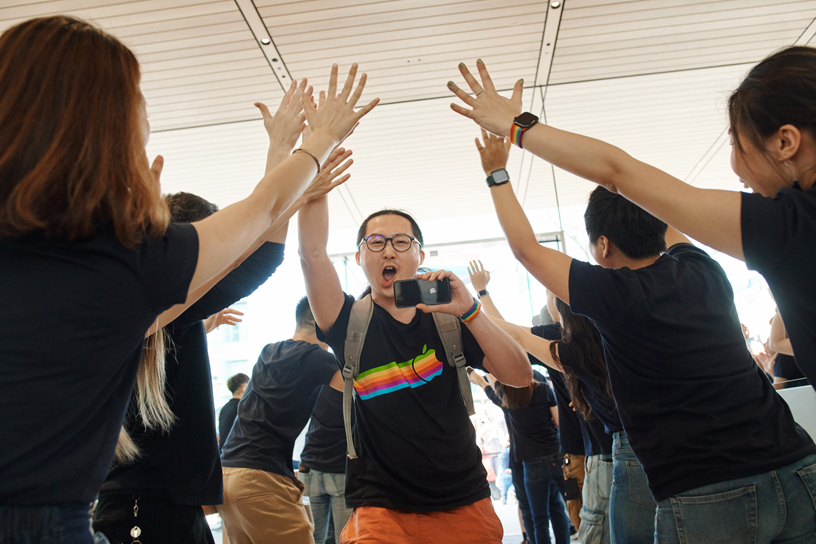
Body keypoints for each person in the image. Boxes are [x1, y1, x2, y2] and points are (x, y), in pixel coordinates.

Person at [0, 14, 376, 542]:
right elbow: (261, 218)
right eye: (137, 100)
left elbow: (260, 230)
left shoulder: (93, 259)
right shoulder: (120, 262)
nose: (145, 118)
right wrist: (319, 140)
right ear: (103, 119)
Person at [448, 73, 816, 537]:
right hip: (796, 466)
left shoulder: (612, 296)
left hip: (707, 487)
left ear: (602, 246)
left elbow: (527, 250)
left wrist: (496, 174)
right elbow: (658, 204)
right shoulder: (702, 266)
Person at [447, 49, 816, 394]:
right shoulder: (703, 269)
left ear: (786, 142)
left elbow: (616, 175)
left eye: (736, 144)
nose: (737, 169)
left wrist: (511, 137)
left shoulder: (792, 225)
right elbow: (642, 195)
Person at [298, 199, 532, 543]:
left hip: (463, 500)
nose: (388, 251)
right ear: (359, 256)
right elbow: (312, 254)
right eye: (376, 242)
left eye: (401, 241)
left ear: (420, 255)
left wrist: (470, 310)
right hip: (380, 509)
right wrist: (314, 185)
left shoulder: (449, 319)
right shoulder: (347, 320)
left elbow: (520, 376)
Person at [468, 264, 626, 544]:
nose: (547, 298)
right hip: (606, 446)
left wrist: (477, 297)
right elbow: (511, 334)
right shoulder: (599, 330)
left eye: (549, 293)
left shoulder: (566, 341)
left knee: (589, 525)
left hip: (593, 453)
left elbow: (511, 334)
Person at [218, 297, 345, 544]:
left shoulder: (269, 351)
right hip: (260, 478)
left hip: (228, 473)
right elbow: (367, 386)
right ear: (323, 322)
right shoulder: (315, 357)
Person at [469, 371, 571, 544]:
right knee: (558, 508)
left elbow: (490, 389)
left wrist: (478, 378)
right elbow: (557, 422)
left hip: (531, 463)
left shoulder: (508, 397)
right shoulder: (544, 389)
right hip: (554, 456)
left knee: (539, 518)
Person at [298, 385, 353, 544]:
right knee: (343, 538)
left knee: (311, 538)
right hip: (340, 468)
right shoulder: (352, 392)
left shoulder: (315, 387)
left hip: (309, 467)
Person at [220, 373, 250, 451]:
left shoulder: (225, 408)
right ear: (244, 389)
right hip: (237, 453)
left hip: (224, 453)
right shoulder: (244, 408)